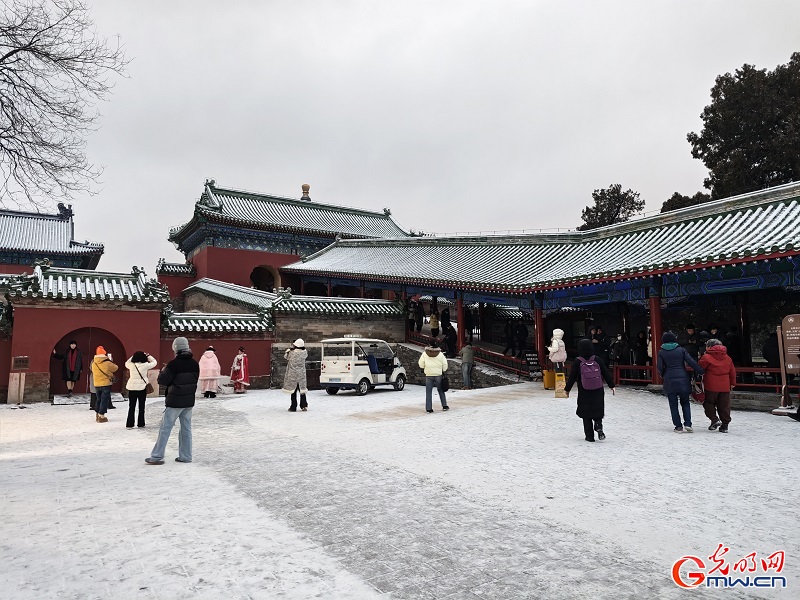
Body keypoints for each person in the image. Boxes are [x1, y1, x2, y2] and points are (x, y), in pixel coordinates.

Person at [146, 337, 199, 465]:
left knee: (165, 428)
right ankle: (186, 456)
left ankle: (157, 456)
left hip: (175, 400)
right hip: (189, 401)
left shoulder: (173, 364)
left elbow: (162, 381)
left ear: (176, 348)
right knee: (186, 429)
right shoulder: (194, 363)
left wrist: (164, 372)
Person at [564, 338, 615, 442]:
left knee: (586, 414)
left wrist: (567, 389)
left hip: (584, 390)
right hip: (598, 390)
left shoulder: (578, 361)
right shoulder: (597, 359)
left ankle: (589, 436)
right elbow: (605, 373)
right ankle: (598, 425)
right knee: (597, 409)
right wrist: (611, 385)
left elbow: (572, 377)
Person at [657, 332, 704, 433]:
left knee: (673, 404)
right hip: (683, 379)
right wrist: (700, 371)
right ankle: (688, 423)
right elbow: (691, 362)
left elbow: (659, 367)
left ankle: (678, 426)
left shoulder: (661, 352)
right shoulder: (681, 350)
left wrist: (663, 375)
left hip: (669, 380)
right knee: (685, 403)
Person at [698, 339, 736, 433]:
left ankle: (714, 419)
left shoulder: (706, 357)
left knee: (708, 403)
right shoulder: (728, 358)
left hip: (711, 385)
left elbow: (699, 368)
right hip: (725, 386)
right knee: (724, 405)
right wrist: (732, 383)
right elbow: (732, 373)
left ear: (710, 347)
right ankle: (725, 425)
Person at [125, 351, 157, 429]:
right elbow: (154, 362)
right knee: (141, 406)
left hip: (132, 387)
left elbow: (127, 362)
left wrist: (133, 356)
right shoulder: (145, 365)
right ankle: (141, 423)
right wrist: (148, 356)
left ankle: (130, 423)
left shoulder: (131, 365)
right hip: (142, 387)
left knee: (131, 406)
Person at [418, 341, 449, 413]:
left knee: (428, 392)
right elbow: (445, 364)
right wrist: (443, 370)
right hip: (438, 374)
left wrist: (424, 367)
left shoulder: (425, 353)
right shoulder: (440, 354)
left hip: (429, 374)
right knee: (441, 390)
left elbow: (421, 364)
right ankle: (444, 405)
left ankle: (429, 408)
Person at [91, 346, 118, 423]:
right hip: (106, 383)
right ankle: (101, 416)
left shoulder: (94, 363)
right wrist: (111, 361)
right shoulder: (107, 363)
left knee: (98, 399)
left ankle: (97, 413)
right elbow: (115, 368)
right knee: (104, 399)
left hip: (96, 383)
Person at [283, 339, 309, 412]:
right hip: (301, 374)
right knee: (302, 390)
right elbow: (306, 355)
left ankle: (293, 406)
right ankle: (304, 405)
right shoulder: (304, 353)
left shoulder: (291, 353)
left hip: (293, 374)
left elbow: (286, 357)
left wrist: (288, 350)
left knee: (293, 391)